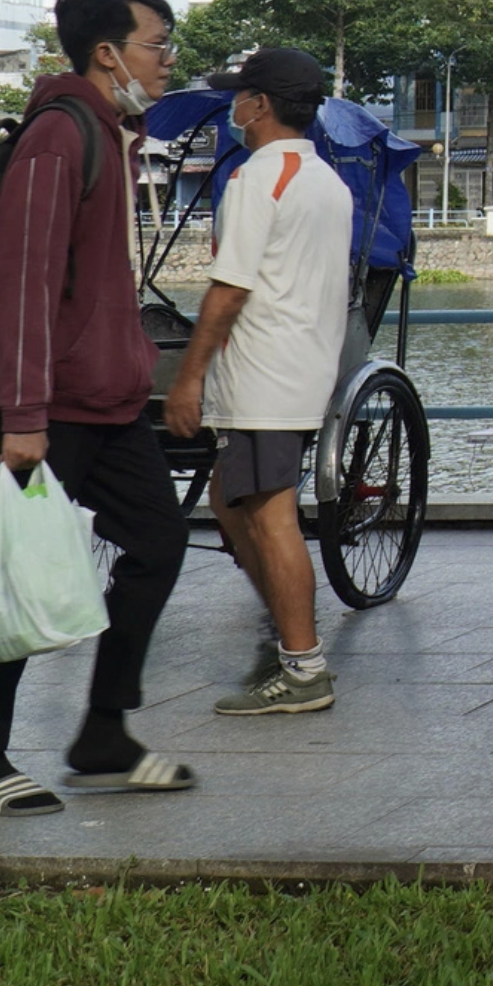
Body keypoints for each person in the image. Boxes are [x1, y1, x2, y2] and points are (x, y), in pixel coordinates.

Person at [0, 0, 194, 816]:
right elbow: (17, 280)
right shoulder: (61, 137)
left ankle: (103, 733)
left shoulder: (110, 134)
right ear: (107, 53)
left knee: (159, 545)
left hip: (106, 399)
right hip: (45, 405)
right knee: (15, 575)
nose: (166, 63)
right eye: (157, 46)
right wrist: (20, 417)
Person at [162, 47, 353, 717]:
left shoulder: (256, 177)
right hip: (302, 366)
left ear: (260, 105)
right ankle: (288, 633)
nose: (233, 107)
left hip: (265, 375)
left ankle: (303, 665)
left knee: (270, 517)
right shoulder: (327, 180)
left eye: (239, 96)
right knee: (233, 500)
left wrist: (189, 379)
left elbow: (228, 289)